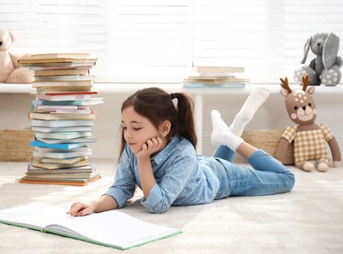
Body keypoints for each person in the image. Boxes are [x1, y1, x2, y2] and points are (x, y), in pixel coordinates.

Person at [67, 87, 295, 215]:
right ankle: (232, 130)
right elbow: (121, 188)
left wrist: (144, 160)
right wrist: (95, 205)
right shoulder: (134, 146)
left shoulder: (182, 152)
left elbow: (158, 204)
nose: (127, 135)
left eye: (136, 127)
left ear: (164, 127)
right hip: (199, 169)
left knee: (286, 179)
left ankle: (232, 139)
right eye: (125, 126)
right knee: (208, 165)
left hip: (221, 179)